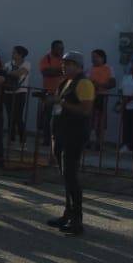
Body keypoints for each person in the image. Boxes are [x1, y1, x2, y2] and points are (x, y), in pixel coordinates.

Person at [47, 51, 94, 235]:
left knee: (71, 177)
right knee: (66, 177)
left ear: (79, 67)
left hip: (74, 135)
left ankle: (77, 221)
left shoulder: (84, 83)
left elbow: (86, 110)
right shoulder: (66, 82)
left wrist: (62, 103)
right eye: (64, 63)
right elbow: (60, 105)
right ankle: (67, 214)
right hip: (61, 134)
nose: (64, 66)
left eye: (69, 64)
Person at [37, 40, 66, 148]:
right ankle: (46, 139)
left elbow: (67, 73)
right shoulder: (46, 59)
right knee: (47, 117)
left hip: (61, 94)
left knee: (60, 118)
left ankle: (58, 140)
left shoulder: (64, 59)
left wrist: (55, 71)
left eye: (62, 48)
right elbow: (46, 72)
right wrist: (61, 71)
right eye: (59, 48)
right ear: (53, 48)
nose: (61, 50)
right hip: (49, 93)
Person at [87, 50, 117, 151]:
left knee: (101, 121)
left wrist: (98, 85)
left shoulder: (109, 69)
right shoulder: (89, 69)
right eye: (92, 57)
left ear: (102, 58)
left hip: (102, 97)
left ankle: (99, 143)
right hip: (90, 97)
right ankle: (88, 141)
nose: (94, 59)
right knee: (90, 120)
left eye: (96, 57)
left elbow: (112, 83)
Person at [4, 46, 31, 146]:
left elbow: (19, 73)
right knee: (10, 116)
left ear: (20, 55)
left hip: (20, 93)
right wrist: (9, 73)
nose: (12, 54)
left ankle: (22, 140)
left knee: (18, 117)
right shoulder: (8, 64)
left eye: (14, 52)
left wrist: (7, 73)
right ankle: (11, 139)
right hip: (8, 93)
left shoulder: (27, 64)